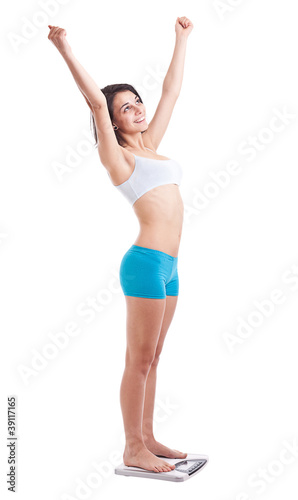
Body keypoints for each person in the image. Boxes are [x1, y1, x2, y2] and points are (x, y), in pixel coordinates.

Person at [48, 16, 194, 473]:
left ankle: (148, 436)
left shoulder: (151, 145)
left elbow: (171, 91)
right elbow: (93, 101)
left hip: (170, 266)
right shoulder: (120, 156)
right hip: (146, 263)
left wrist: (181, 39)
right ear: (112, 120)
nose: (137, 109)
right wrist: (65, 49)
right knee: (139, 358)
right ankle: (132, 447)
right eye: (125, 107)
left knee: (155, 356)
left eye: (137, 102)